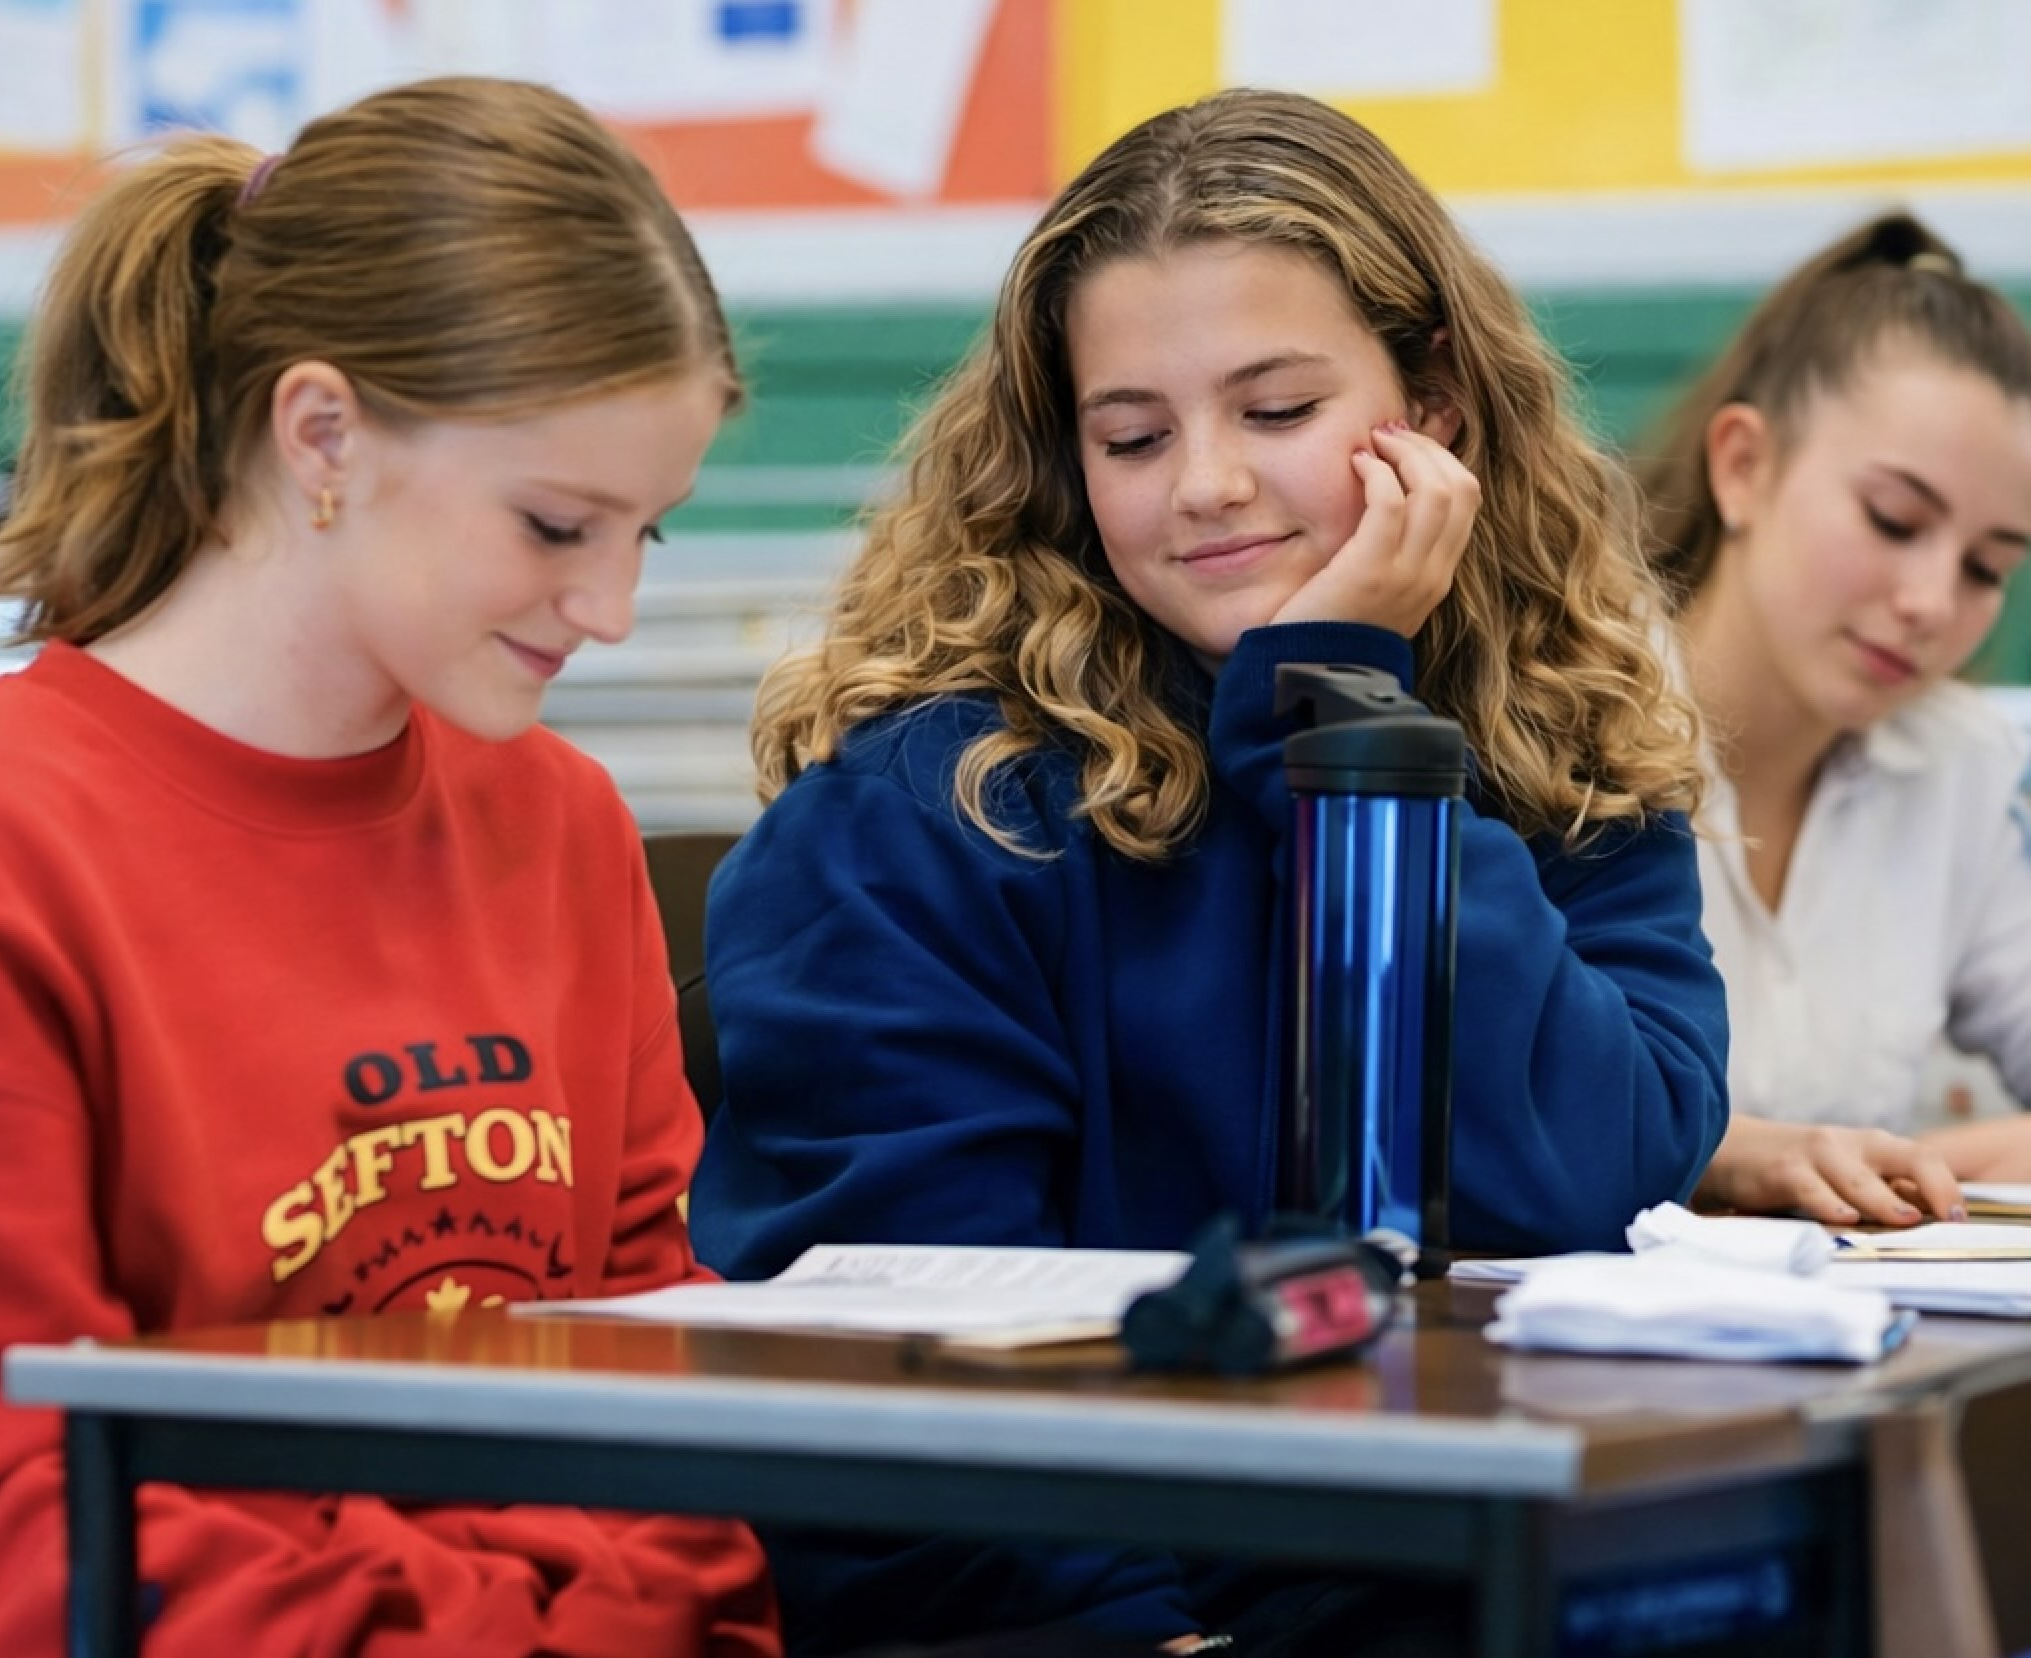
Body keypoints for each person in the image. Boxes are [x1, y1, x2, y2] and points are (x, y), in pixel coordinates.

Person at [690, 88, 1728, 1655]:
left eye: (1275, 409)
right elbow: (897, 1363)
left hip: (1505, 1568)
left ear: (1434, 409)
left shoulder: (1561, 739)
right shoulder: (925, 812)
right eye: (1131, 435)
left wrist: (1339, 719)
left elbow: (1588, 1187)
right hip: (1133, 1610)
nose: (1203, 485)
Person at [0, 77, 780, 1657]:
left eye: (646, 534)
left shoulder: (560, 823)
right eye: (554, 525)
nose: (611, 609)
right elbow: (35, 1514)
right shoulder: (28, 842)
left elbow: (657, 1388)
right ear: (324, 432)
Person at [1639, 212, 2031, 1227]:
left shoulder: (1962, 766)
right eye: (1894, 521)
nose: (1932, 603)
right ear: (1742, 467)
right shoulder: (1555, 713)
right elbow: (1502, 1101)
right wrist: (1747, 1159)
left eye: (1987, 567)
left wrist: (1922, 1163)